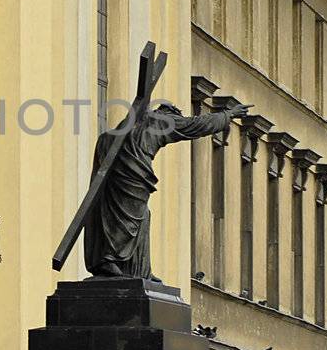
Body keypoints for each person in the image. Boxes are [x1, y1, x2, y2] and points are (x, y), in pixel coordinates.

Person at [84, 97, 247, 279]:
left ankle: (140, 270)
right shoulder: (160, 121)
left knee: (140, 217)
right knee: (129, 217)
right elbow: (196, 125)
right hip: (133, 175)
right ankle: (109, 259)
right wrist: (229, 114)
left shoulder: (127, 126)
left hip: (126, 172)